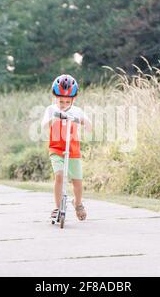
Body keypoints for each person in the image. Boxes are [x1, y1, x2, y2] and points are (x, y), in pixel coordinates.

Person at [41, 74, 92, 221]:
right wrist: (54, 118)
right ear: (54, 97)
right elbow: (43, 125)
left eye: (66, 101)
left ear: (73, 99)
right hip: (56, 149)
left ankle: (78, 203)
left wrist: (82, 121)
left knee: (77, 181)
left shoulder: (77, 111)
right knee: (59, 176)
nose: (63, 104)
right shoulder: (51, 110)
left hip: (73, 151)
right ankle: (57, 207)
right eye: (60, 100)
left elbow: (89, 127)